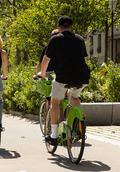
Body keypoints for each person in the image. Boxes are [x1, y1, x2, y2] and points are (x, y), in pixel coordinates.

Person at [38, 16, 90, 145]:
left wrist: (42, 74)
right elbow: (84, 60)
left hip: (63, 77)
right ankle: (79, 127)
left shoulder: (55, 39)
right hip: (82, 77)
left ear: (58, 27)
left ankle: (54, 135)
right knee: (75, 98)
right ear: (71, 27)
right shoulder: (80, 39)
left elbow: (46, 59)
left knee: (55, 102)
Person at [34, 29, 60, 109]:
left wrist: (37, 75)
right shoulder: (63, 48)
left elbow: (40, 63)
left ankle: (48, 118)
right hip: (60, 73)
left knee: (49, 97)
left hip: (48, 74)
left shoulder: (47, 47)